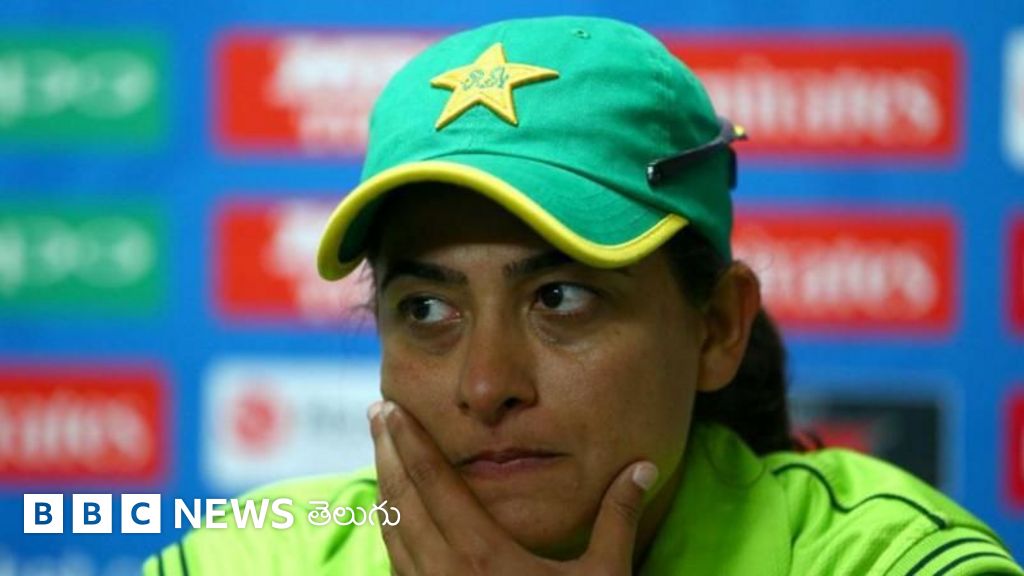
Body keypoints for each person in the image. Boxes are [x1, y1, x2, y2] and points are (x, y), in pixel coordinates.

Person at [146, 15, 1022, 575]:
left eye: (561, 297)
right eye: (427, 310)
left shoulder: (889, 561)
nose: (485, 385)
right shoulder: (254, 559)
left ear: (716, 327)